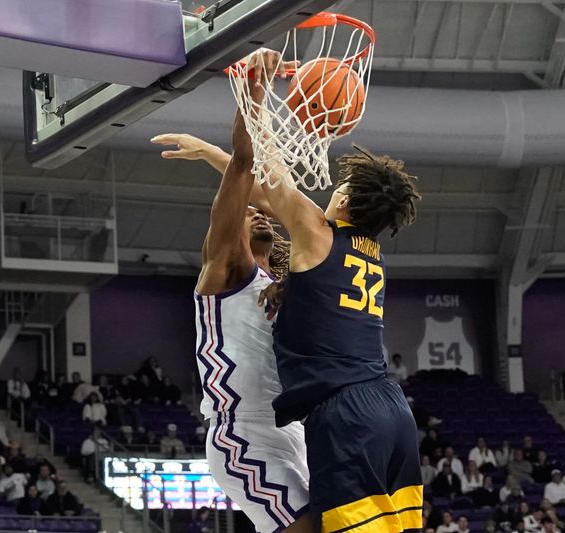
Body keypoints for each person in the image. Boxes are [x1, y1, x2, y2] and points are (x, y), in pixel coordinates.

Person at [242, 48, 422, 533]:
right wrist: (211, 155)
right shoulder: (371, 253)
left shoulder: (319, 233)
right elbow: (264, 192)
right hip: (392, 410)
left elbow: (269, 172)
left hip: (348, 414)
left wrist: (255, 91)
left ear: (343, 198)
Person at [151, 53, 312, 533]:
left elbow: (267, 194)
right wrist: (253, 92)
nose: (257, 213)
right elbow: (245, 168)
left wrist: (204, 151)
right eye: (246, 212)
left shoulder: (280, 280)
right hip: (244, 434)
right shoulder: (226, 267)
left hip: (294, 430)